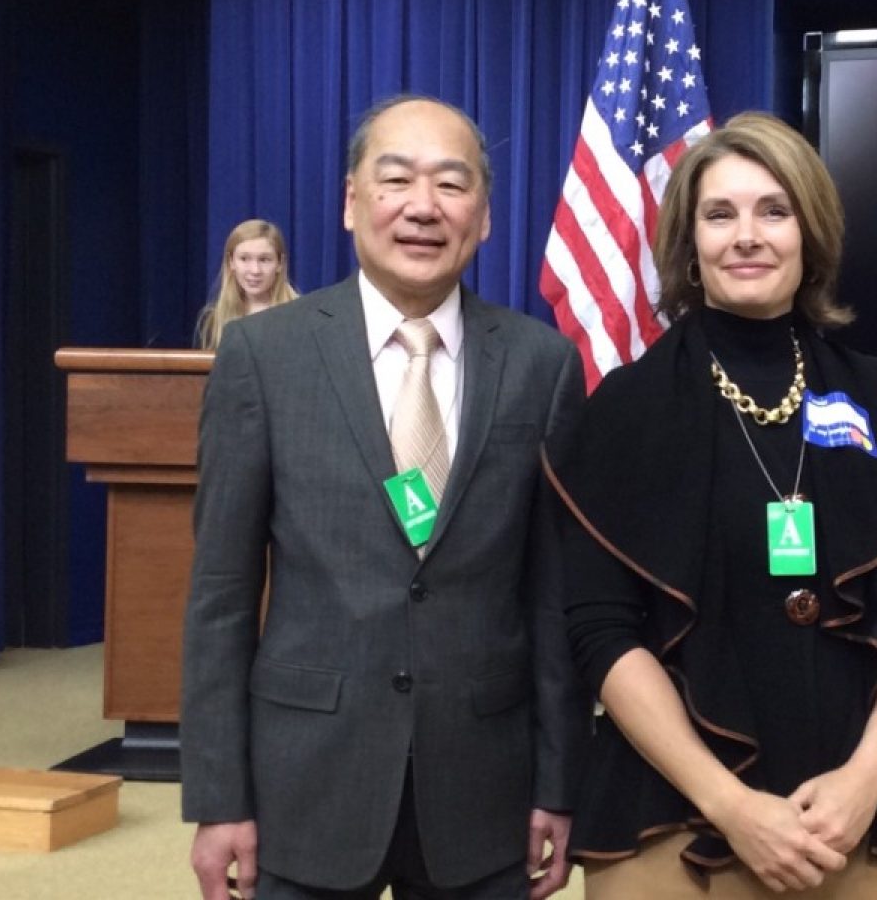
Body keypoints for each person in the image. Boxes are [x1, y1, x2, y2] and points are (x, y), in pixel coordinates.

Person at [181, 95, 586, 900]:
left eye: (451, 184)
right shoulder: (263, 358)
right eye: (395, 179)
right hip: (306, 781)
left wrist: (558, 779)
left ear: (485, 216)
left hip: (486, 789)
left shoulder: (543, 365)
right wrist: (220, 796)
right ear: (350, 202)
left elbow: (553, 599)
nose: (423, 208)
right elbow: (222, 594)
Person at [545, 112, 877, 898]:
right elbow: (600, 631)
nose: (748, 236)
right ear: (689, 244)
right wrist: (730, 805)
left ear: (811, 232)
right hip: (674, 811)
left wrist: (869, 776)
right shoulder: (625, 409)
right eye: (720, 213)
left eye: (774, 210)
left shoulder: (876, 394)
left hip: (854, 809)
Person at [195, 219, 302, 351]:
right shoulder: (211, 322)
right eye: (244, 259)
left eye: (264, 260)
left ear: (280, 263)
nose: (255, 270)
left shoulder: (300, 317)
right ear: (231, 262)